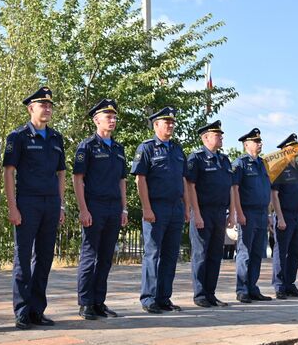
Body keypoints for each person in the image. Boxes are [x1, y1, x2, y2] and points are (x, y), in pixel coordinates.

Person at [3, 87, 66, 329]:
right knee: (22, 258)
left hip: (50, 203)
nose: (48, 109)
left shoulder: (56, 138)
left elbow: (61, 173)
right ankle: (21, 310)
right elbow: (9, 172)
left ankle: (37, 310)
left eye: (50, 106)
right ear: (31, 108)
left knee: (44, 258)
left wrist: (60, 204)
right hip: (27, 203)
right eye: (43, 105)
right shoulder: (17, 137)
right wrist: (12, 206)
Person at [73, 99, 128, 320]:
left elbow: (122, 180)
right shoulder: (87, 146)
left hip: (114, 207)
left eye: (114, 117)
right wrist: (83, 209)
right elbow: (78, 180)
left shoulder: (118, 148)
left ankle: (99, 301)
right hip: (94, 206)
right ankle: (85, 303)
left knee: (106, 257)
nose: (112, 120)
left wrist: (124, 209)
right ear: (96, 120)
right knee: (90, 255)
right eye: (108, 117)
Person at [131, 107, 190, 313]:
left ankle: (164, 297)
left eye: (172, 122)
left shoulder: (176, 149)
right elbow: (140, 179)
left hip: (175, 207)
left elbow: (183, 180)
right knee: (153, 253)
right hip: (156, 206)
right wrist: (146, 208)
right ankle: (149, 298)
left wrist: (186, 207)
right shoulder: (146, 148)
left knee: (170, 254)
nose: (171, 125)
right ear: (156, 125)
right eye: (166, 122)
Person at [186, 120, 234, 308]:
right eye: (217, 134)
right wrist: (195, 213)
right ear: (205, 138)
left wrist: (231, 213)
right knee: (201, 254)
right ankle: (200, 295)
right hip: (203, 210)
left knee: (215, 254)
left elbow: (229, 187)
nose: (221, 137)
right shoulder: (196, 158)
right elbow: (191, 187)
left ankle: (210, 293)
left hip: (220, 212)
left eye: (221, 134)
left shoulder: (224, 159)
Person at [232, 128, 272, 303]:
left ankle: (252, 287)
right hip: (247, 212)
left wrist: (270, 213)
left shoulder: (263, 163)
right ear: (246, 144)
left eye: (260, 141)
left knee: (257, 252)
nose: (260, 143)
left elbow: (267, 190)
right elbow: (235, 189)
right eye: (256, 141)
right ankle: (242, 289)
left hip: (262, 213)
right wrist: (238, 212)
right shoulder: (239, 163)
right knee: (245, 252)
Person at [271, 133, 298, 299]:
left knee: (295, 251)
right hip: (285, 214)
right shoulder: (279, 167)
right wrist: (279, 217)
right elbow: (274, 195)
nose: (295, 149)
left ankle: (290, 283)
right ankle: (279, 285)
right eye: (292, 147)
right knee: (281, 250)